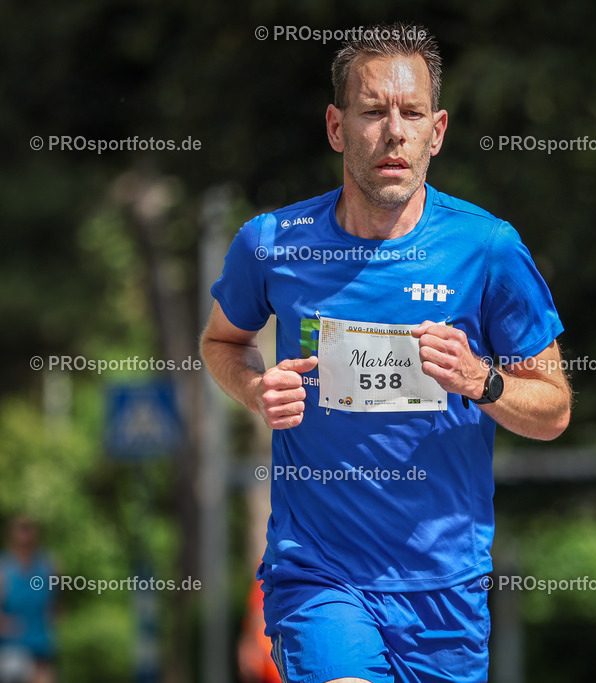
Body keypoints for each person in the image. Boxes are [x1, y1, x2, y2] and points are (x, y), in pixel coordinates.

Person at [200, 22, 571, 683]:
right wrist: (255, 388)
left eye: (412, 113)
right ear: (338, 127)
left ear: (439, 130)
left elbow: (554, 409)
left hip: (445, 589)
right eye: (373, 111)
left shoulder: (487, 249)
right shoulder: (272, 243)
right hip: (319, 575)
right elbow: (222, 340)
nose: (394, 132)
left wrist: (483, 380)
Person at [0, 516, 57, 683]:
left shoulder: (48, 566)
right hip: (12, 650)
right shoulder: (4, 569)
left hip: (42, 647)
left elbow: (54, 606)